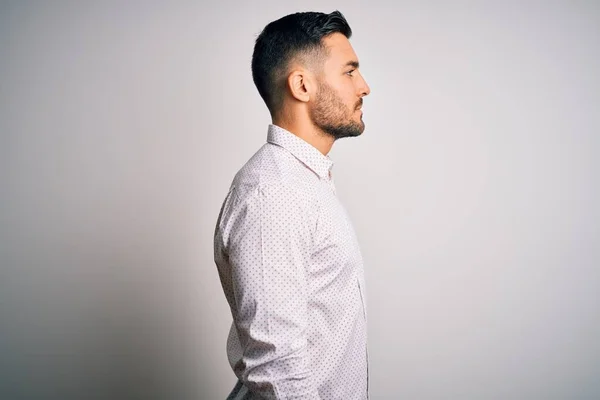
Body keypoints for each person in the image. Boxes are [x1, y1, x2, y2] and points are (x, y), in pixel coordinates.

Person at [214, 10, 371, 399]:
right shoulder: (275, 194)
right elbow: (277, 372)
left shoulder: (303, 184)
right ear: (302, 85)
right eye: (349, 72)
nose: (364, 86)